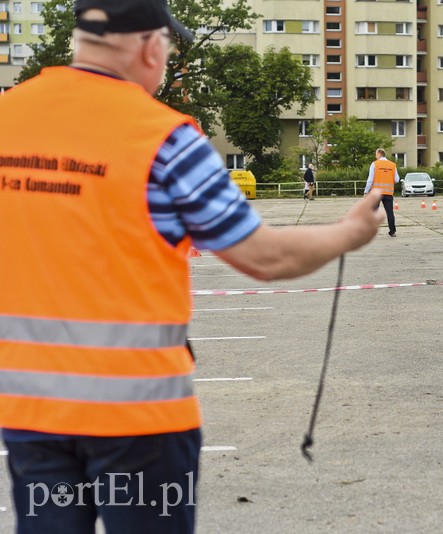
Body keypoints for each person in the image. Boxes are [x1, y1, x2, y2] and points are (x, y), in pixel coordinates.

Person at [0, 1, 382, 532]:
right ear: (149, 44)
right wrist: (349, 232)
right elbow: (262, 256)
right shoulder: (164, 138)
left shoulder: (8, 117)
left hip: (30, 415)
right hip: (141, 421)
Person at [364, 148, 400, 237]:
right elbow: (397, 179)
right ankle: (392, 231)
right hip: (388, 193)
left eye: (376, 154)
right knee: (390, 212)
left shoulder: (375, 164)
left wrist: (366, 191)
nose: (375, 156)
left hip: (376, 193)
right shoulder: (392, 165)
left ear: (379, 154)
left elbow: (370, 179)